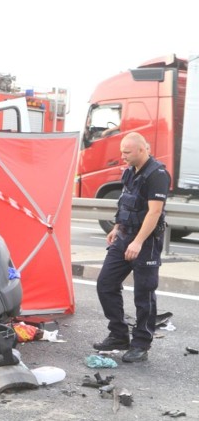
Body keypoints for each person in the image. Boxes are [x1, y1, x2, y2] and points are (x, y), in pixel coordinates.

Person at [93, 132, 170, 363]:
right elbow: (125, 200)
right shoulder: (129, 172)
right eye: (122, 151)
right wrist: (117, 227)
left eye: (126, 152)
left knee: (144, 293)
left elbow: (155, 212)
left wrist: (138, 241)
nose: (122, 156)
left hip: (145, 242)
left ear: (141, 150)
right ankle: (118, 335)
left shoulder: (157, 174)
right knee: (106, 283)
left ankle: (141, 344)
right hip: (124, 236)